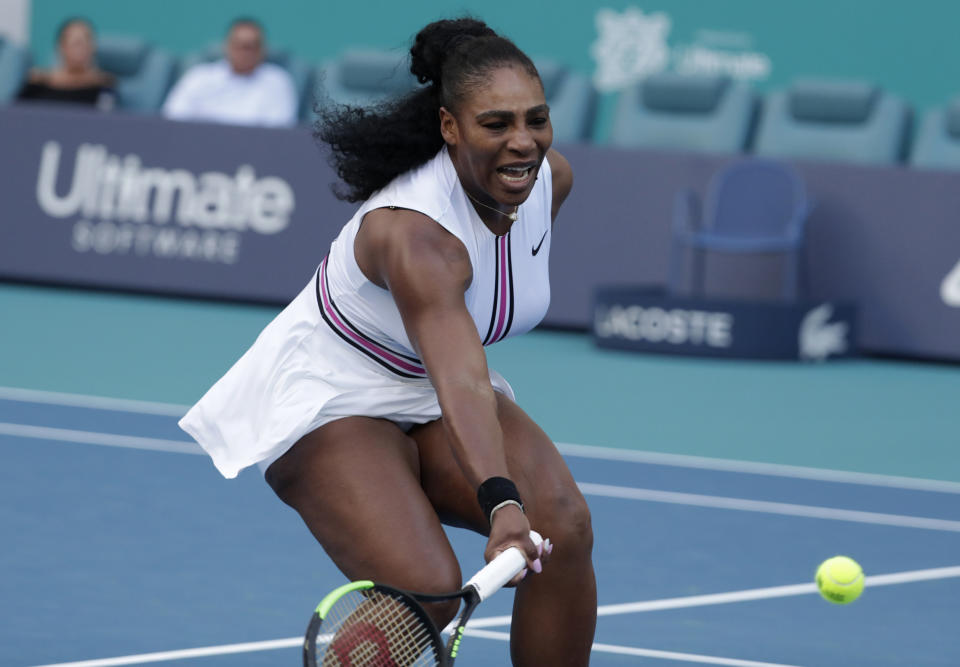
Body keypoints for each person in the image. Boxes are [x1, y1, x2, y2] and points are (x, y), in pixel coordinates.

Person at [178, 16, 596, 666]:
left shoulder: (548, 181)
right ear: (450, 127)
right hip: (332, 398)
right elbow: (460, 374)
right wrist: (502, 501)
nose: (523, 142)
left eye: (535, 119)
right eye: (496, 124)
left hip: (425, 385)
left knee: (562, 527)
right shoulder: (414, 233)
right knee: (423, 592)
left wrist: (521, 508)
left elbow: (470, 339)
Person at [162, 17, 298, 127]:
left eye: (251, 46)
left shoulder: (278, 82)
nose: (245, 53)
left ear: (263, 49)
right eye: (240, 46)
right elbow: (172, 121)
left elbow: (278, 133)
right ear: (227, 46)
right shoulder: (199, 77)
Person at [17, 17, 116, 109]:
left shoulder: (104, 87)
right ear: (61, 47)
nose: (80, 48)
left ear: (93, 47)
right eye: (75, 43)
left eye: (86, 41)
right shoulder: (38, 83)